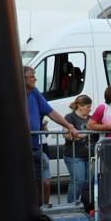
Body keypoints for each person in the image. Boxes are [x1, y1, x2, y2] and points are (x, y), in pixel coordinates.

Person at [25, 66, 79, 206]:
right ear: (23, 78)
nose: (35, 79)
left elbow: (51, 112)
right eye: (32, 76)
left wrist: (69, 126)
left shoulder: (34, 92)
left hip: (36, 147)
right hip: (21, 148)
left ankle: (44, 213)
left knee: (45, 182)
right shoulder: (15, 93)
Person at [63, 95, 93, 204]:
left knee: (86, 181)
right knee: (78, 180)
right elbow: (67, 135)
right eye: (88, 107)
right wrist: (85, 134)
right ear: (80, 106)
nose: (90, 109)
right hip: (74, 155)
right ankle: (71, 204)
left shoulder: (90, 118)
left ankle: (82, 204)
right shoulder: (70, 117)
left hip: (88, 155)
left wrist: (77, 135)